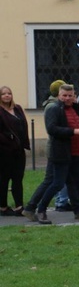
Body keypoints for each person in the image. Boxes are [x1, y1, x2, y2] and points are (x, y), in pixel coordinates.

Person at [22, 84, 79, 224]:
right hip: (61, 153)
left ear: (74, 96)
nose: (67, 98)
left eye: (70, 96)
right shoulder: (54, 108)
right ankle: (41, 210)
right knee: (56, 183)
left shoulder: (76, 109)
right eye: (64, 95)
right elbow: (52, 129)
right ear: (59, 96)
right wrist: (72, 131)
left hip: (76, 153)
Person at [0, 86, 31, 216]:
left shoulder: (17, 108)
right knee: (4, 179)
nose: (7, 96)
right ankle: (3, 207)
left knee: (18, 178)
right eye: (4, 94)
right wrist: (8, 139)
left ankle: (19, 206)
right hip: (4, 151)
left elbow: (24, 125)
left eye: (9, 93)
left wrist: (23, 142)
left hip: (18, 150)